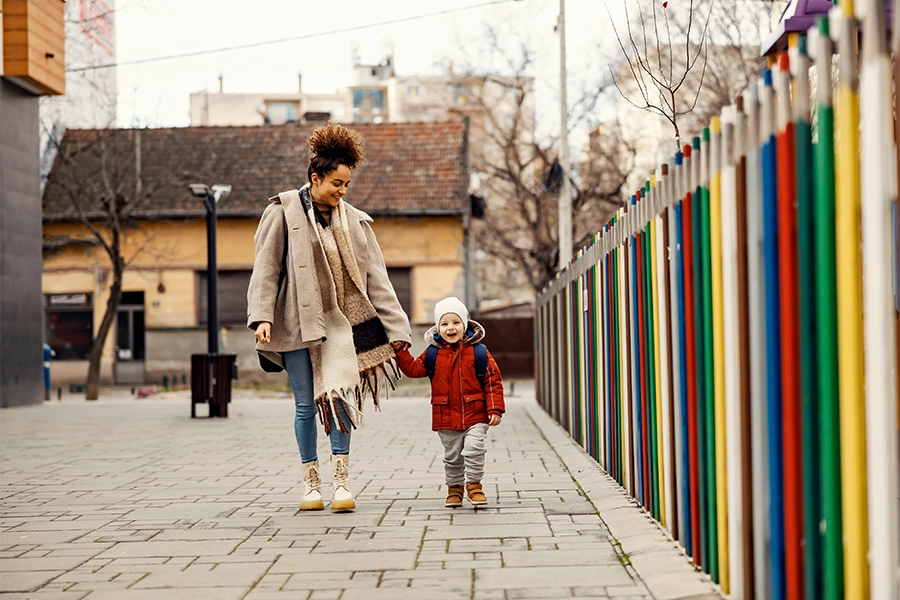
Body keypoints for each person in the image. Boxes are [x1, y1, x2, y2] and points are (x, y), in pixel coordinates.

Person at [247, 123, 412, 512]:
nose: (342, 191)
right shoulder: (282, 211)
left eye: (346, 185)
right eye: (336, 183)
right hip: (295, 324)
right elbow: (265, 269)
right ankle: (311, 486)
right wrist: (262, 317)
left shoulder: (355, 221)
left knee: (339, 397)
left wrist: (397, 328)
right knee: (305, 405)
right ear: (315, 177)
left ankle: (341, 483)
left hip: (342, 326)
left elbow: (377, 280)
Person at [392, 297, 504, 507]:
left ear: (464, 325)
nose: (450, 328)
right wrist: (401, 352)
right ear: (438, 327)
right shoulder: (433, 353)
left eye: (455, 322)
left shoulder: (479, 352)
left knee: (474, 448)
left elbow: (492, 380)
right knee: (452, 457)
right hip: (446, 415)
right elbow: (414, 369)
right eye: (444, 324)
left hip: (476, 414)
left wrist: (495, 408)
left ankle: (474, 485)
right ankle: (454, 489)